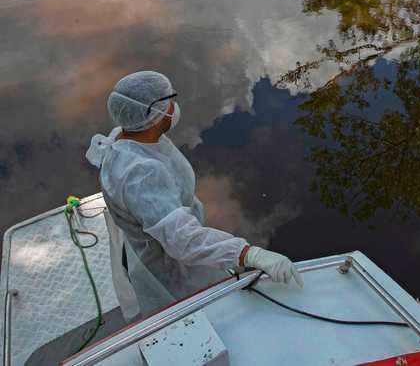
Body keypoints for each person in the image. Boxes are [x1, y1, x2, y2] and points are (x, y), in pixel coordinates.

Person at [86, 71, 303, 318]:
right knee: (199, 312)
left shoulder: (125, 139)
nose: (174, 106)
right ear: (153, 114)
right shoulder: (142, 174)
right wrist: (248, 254)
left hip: (157, 243)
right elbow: (182, 240)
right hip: (172, 265)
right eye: (169, 100)